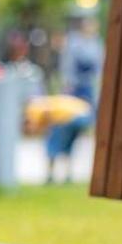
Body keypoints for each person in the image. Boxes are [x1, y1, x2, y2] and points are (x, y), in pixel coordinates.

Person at [43, 17, 103, 184]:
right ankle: (51, 170)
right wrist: (67, 88)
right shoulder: (74, 44)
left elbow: (98, 69)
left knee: (74, 134)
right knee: (59, 129)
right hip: (72, 92)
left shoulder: (95, 44)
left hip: (86, 92)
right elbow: (67, 69)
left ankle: (68, 171)